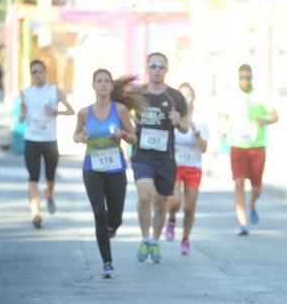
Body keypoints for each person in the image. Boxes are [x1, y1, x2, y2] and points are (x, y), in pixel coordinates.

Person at [73, 69, 143, 277]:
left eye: (106, 81)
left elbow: (134, 139)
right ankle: (107, 262)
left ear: (112, 87)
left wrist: (123, 134)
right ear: (93, 86)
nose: (103, 84)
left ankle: (113, 226)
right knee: (98, 213)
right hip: (92, 168)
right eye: (99, 81)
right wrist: (81, 137)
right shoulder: (84, 113)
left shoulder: (120, 110)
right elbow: (75, 135)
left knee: (115, 217)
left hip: (115, 169)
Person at [132, 52, 188, 263]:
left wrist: (178, 121)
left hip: (165, 157)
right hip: (142, 155)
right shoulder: (137, 94)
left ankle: (155, 242)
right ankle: (145, 237)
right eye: (153, 66)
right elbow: (119, 112)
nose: (157, 70)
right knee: (145, 195)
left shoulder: (175, 97)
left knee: (161, 201)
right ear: (147, 68)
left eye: (161, 66)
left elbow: (185, 127)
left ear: (166, 69)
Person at [19, 59, 74, 228]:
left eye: (40, 71)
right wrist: (22, 115)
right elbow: (22, 115)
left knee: (50, 175)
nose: (37, 75)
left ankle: (49, 193)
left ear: (45, 73)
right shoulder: (25, 93)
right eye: (34, 72)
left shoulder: (55, 91)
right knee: (33, 176)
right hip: (31, 140)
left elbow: (71, 110)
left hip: (50, 140)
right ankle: (35, 212)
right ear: (31, 75)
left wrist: (55, 111)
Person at [227, 64, 279, 235]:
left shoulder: (261, 95)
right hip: (237, 146)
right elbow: (222, 116)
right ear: (238, 78)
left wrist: (263, 120)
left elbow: (275, 116)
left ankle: (252, 204)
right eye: (241, 77)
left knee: (256, 188)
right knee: (239, 183)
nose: (244, 80)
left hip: (257, 146)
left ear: (252, 78)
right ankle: (243, 223)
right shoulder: (231, 96)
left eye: (247, 77)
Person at [165, 83, 209, 255]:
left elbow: (204, 148)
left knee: (190, 207)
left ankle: (185, 238)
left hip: (193, 166)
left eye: (188, 95)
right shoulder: (174, 117)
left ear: (193, 98)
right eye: (182, 96)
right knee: (175, 201)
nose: (185, 99)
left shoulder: (201, 120)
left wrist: (197, 135)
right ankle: (171, 218)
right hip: (175, 164)